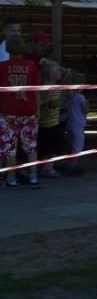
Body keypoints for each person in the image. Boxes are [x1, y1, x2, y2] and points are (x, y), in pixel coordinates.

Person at [0, 34, 39, 188]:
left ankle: (11, 179)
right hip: (29, 110)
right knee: (31, 146)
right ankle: (33, 177)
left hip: (8, 111)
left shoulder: (2, 67)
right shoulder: (32, 66)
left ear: (7, 48)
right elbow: (36, 90)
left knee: (10, 147)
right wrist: (37, 110)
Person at [38, 59, 63, 178]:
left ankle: (49, 165)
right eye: (57, 70)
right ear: (50, 74)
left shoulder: (57, 86)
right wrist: (48, 100)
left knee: (53, 145)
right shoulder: (45, 87)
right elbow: (45, 103)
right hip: (46, 123)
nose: (60, 72)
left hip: (54, 121)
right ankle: (46, 167)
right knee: (46, 146)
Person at [63, 71, 89, 176]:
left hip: (70, 123)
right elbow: (85, 110)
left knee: (71, 145)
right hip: (78, 125)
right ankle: (73, 167)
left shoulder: (70, 97)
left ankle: (69, 164)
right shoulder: (81, 97)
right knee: (78, 147)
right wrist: (88, 104)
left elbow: (64, 107)